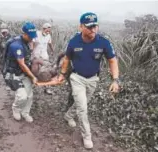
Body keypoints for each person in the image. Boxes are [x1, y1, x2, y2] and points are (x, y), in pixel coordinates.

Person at [58, 12, 120, 149]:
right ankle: (87, 136)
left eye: (95, 26)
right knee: (83, 108)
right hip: (77, 78)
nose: (93, 29)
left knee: (83, 103)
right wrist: (62, 74)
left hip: (93, 79)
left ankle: (68, 115)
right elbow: (67, 59)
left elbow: (112, 61)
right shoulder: (74, 41)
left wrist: (115, 80)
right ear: (81, 27)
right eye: (89, 26)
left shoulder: (103, 42)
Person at [3, 22, 38, 123]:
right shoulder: (16, 45)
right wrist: (33, 77)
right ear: (25, 34)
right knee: (22, 96)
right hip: (13, 74)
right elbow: (22, 64)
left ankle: (25, 112)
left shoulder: (26, 43)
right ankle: (16, 109)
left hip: (23, 73)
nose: (32, 39)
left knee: (29, 95)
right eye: (30, 37)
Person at [32, 22, 55, 94]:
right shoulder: (36, 34)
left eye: (49, 31)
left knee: (46, 70)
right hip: (36, 54)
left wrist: (52, 50)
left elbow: (50, 43)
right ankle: (32, 84)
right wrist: (31, 53)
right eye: (47, 30)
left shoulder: (48, 36)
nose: (48, 32)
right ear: (43, 29)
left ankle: (47, 88)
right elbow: (32, 44)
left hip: (44, 55)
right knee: (35, 71)